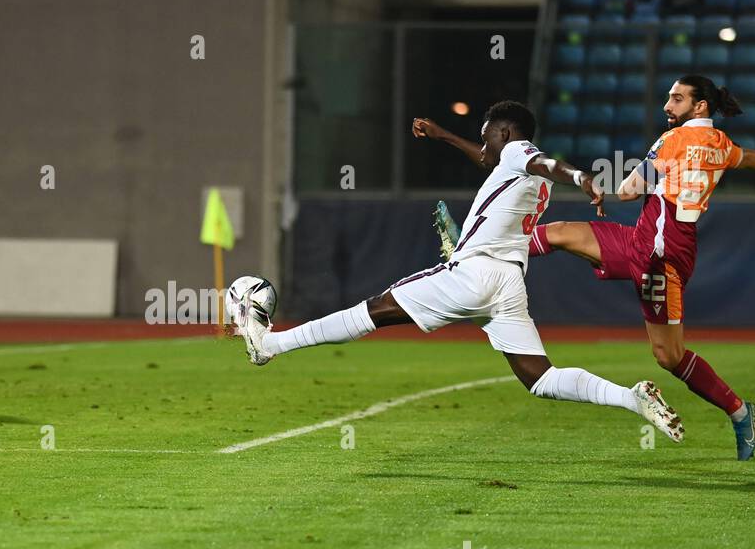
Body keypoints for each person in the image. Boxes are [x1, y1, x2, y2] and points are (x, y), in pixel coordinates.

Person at [230, 101, 685, 446]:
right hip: (508, 286)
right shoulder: (515, 168)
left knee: (372, 311)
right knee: (540, 378)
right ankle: (631, 397)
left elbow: (543, 162)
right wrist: (443, 134)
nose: (483, 142)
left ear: (506, 132)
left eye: (486, 133)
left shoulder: (524, 155)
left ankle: (268, 344)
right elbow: (494, 160)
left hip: (474, 274)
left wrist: (583, 177)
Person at [487, 77, 755, 461]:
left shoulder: (673, 140)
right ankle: (481, 252)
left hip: (660, 256)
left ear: (700, 106)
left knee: (669, 356)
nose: (667, 106)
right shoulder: (721, 145)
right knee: (558, 233)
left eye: (676, 99)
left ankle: (741, 413)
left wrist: (599, 183)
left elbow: (628, 190)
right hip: (650, 241)